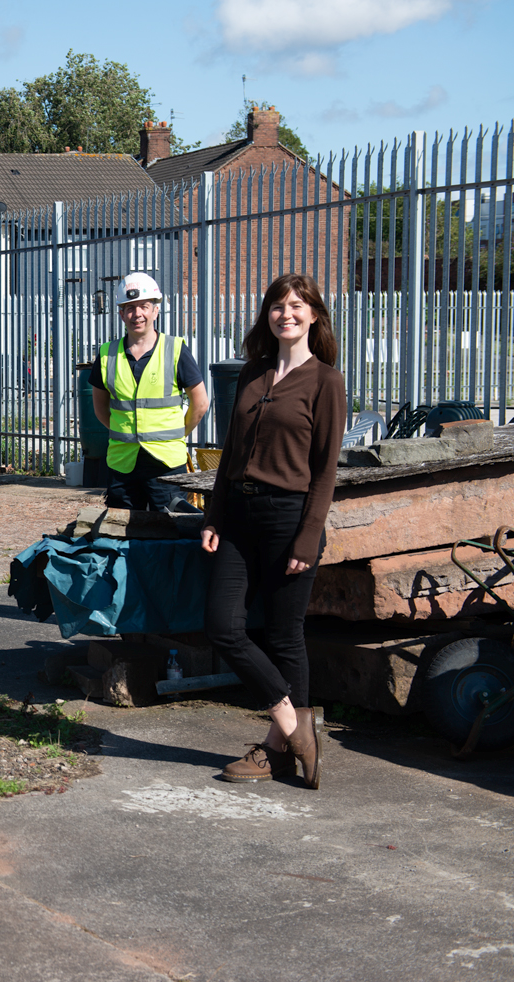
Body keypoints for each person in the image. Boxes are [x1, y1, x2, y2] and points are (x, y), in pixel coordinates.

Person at [201, 273, 346, 789]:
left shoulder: (326, 381)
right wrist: (214, 515)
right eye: (278, 306)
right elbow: (230, 455)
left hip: (289, 518)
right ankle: (294, 723)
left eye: (297, 305)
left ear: (313, 316)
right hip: (238, 516)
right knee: (223, 624)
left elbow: (326, 470)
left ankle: (276, 752)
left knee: (285, 636)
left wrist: (309, 536)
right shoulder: (251, 375)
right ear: (267, 315)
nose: (287, 313)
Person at [91, 272, 211, 511]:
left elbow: (200, 405)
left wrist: (175, 433)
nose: (137, 314)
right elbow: (100, 409)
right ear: (121, 313)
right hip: (123, 463)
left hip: (165, 463)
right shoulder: (106, 354)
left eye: (144, 306)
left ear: (155, 310)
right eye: (130, 308)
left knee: (171, 532)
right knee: (120, 533)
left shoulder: (176, 349)